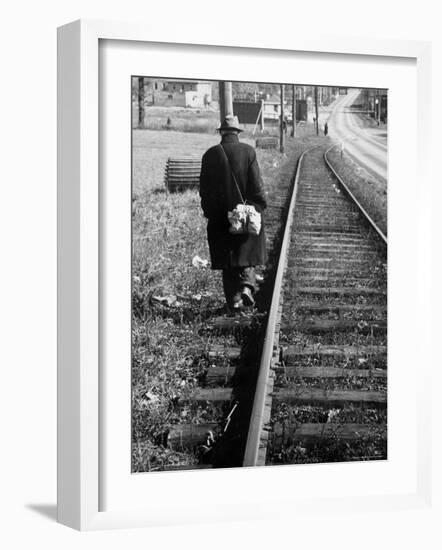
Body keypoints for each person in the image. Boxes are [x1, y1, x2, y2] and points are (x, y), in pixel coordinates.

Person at [199, 115, 267, 313]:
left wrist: (210, 213)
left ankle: (234, 301)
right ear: (237, 133)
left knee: (228, 260)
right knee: (247, 253)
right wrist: (259, 206)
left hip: (220, 218)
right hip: (245, 215)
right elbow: (257, 186)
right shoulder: (248, 151)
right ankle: (247, 285)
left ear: (221, 132)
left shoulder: (210, 155)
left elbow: (205, 190)